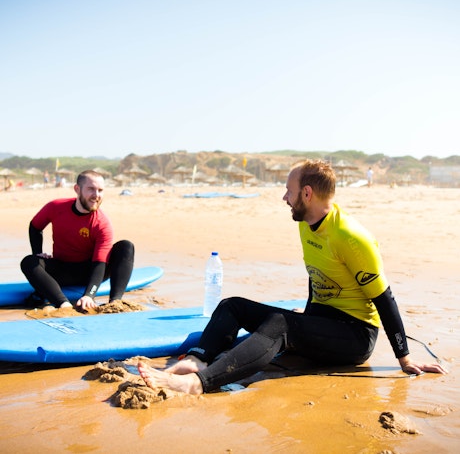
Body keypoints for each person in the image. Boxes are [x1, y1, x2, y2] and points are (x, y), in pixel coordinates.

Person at [138, 159, 447, 394]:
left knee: (280, 325)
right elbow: (317, 276)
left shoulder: (351, 237)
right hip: (324, 321)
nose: (285, 197)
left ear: (307, 193)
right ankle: (198, 359)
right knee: (234, 306)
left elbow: (384, 298)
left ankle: (198, 383)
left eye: (289, 190)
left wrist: (404, 358)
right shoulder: (305, 223)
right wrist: (308, 320)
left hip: (354, 336)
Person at [21, 170, 135, 310]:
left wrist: (89, 295)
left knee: (126, 246)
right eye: (91, 189)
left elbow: (100, 264)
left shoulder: (102, 223)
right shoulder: (56, 207)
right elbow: (35, 227)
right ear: (77, 189)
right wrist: (37, 252)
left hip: (91, 271)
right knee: (29, 262)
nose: (96, 195)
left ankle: (115, 302)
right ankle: (63, 304)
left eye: (100, 190)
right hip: (61, 270)